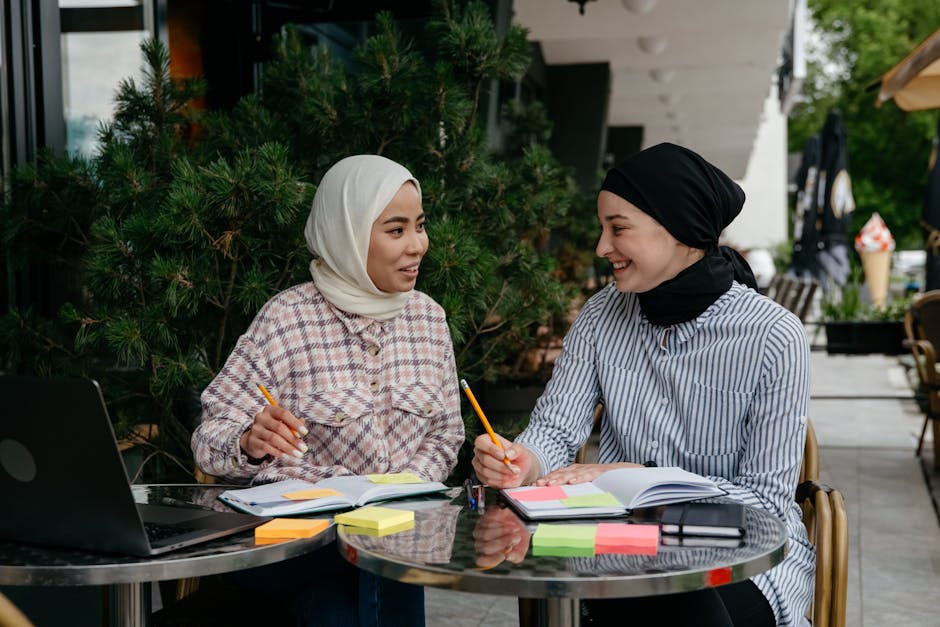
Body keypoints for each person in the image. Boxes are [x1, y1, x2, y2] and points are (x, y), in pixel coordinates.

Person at [472, 143, 814, 626]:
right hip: (623, 547)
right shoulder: (601, 314)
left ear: (676, 228)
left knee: (682, 603)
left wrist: (640, 479)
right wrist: (524, 459)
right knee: (654, 591)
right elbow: (555, 427)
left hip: (744, 555)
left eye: (618, 228)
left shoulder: (774, 336)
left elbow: (764, 501)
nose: (601, 247)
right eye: (602, 228)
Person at [188, 154, 464, 627]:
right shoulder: (285, 320)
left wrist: (400, 492)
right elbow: (209, 436)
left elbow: (445, 435)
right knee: (383, 557)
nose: (418, 244)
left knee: (341, 604)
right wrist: (248, 442)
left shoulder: (429, 319)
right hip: (295, 542)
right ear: (348, 235)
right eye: (396, 230)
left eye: (419, 225)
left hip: (388, 534)